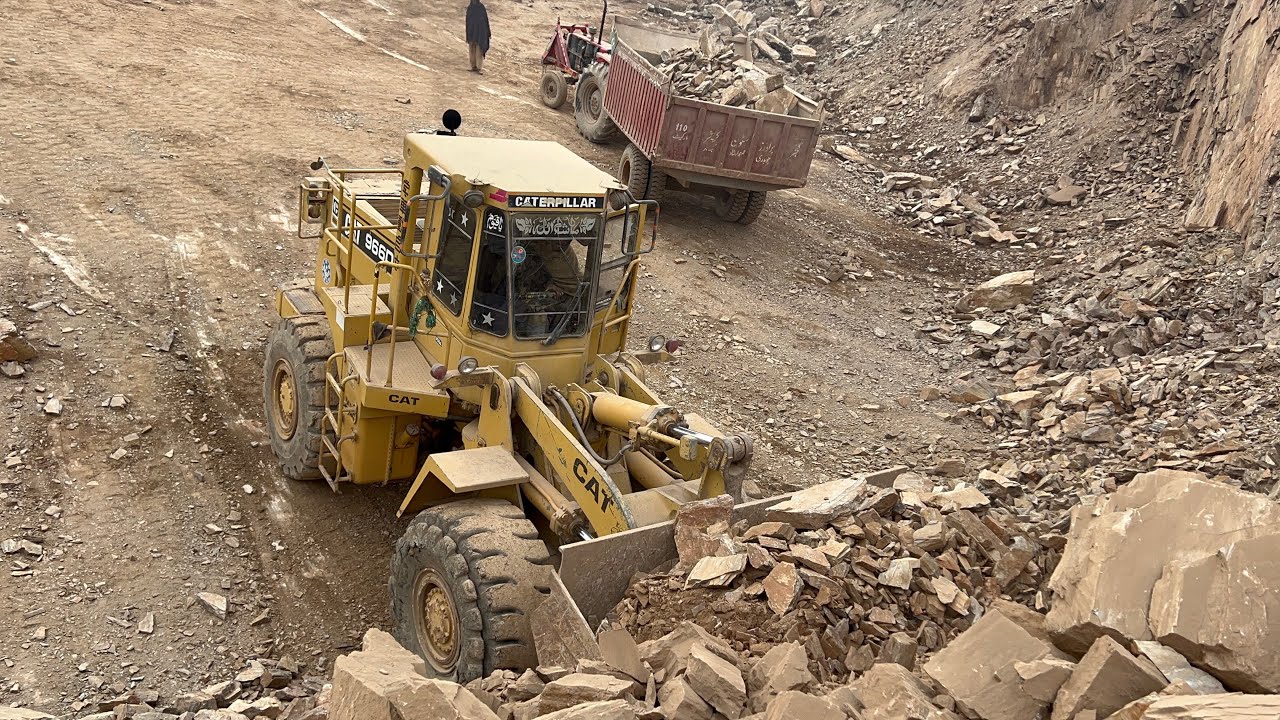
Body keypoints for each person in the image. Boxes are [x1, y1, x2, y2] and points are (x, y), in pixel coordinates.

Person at [465, 0, 491, 74]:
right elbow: (468, 21)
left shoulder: (480, 8)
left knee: (479, 48)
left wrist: (488, 32)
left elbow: (485, 20)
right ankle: (474, 66)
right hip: (472, 30)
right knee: (472, 48)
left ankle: (478, 68)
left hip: (480, 31)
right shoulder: (470, 8)